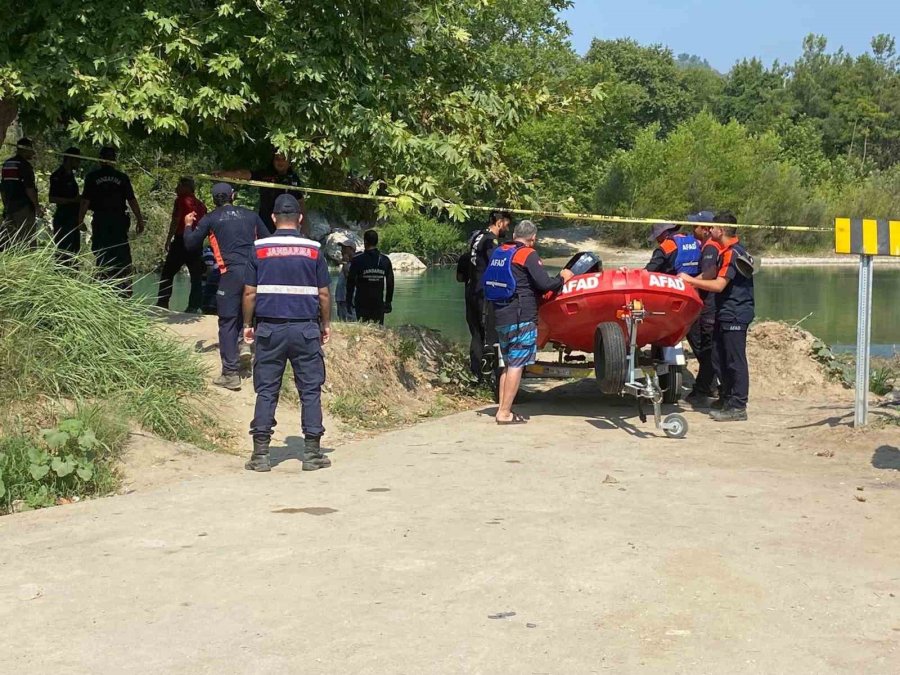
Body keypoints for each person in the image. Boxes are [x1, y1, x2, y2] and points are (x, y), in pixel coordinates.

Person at [242, 194, 332, 473]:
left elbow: (249, 292)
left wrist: (248, 325)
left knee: (267, 390)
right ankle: (312, 453)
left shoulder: (258, 248)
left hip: (269, 329)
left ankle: (260, 455)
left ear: (272, 218)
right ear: (300, 219)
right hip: (305, 328)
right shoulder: (314, 249)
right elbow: (325, 294)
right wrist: (325, 325)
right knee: (310, 390)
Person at [484, 220, 574, 425]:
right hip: (521, 317)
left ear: (515, 234)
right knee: (517, 365)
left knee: (508, 364)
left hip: (500, 315)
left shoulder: (500, 251)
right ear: (532, 239)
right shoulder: (527, 254)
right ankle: (505, 413)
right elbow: (544, 284)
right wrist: (562, 278)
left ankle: (503, 408)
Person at [184, 182, 266, 390]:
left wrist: (187, 224)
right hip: (254, 273)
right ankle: (245, 345)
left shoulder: (210, 218)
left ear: (214, 200)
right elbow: (267, 242)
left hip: (229, 274)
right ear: (234, 196)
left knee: (227, 321)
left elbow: (191, 243)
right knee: (252, 314)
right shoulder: (251, 216)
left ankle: (230, 374)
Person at [680, 211, 754, 422]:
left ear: (720, 230)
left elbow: (719, 285)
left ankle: (738, 406)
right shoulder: (726, 251)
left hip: (736, 312)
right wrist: (687, 283)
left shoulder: (733, 253)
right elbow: (711, 274)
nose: (709, 230)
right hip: (725, 311)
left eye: (712, 227)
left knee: (734, 359)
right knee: (718, 356)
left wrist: (691, 282)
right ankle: (727, 397)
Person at [79, 147, 144, 296]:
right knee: (120, 252)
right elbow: (132, 200)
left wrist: (80, 219)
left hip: (102, 219)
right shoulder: (121, 177)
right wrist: (139, 220)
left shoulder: (92, 177)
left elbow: (85, 201)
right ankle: (122, 289)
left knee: (102, 252)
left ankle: (104, 288)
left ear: (100, 159)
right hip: (117, 220)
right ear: (113, 160)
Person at [463, 210, 511, 379]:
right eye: (506, 224)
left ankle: (476, 375)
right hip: (484, 293)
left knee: (476, 334)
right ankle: (491, 375)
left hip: (471, 290)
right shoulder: (491, 241)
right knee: (491, 336)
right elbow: (496, 265)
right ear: (499, 222)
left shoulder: (476, 236)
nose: (507, 228)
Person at [213, 150, 303, 234]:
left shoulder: (294, 179)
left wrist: (305, 228)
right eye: (277, 159)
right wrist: (223, 174)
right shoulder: (265, 174)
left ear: (289, 162)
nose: (280, 162)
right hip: (266, 223)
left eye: (283, 159)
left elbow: (301, 203)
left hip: (288, 224)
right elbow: (245, 175)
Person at [683, 211, 721, 408]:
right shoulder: (708, 246)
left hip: (710, 306)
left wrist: (688, 283)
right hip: (710, 305)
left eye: (695, 226)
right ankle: (709, 387)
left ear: (705, 229)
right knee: (707, 348)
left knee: (707, 349)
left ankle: (704, 388)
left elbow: (709, 275)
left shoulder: (709, 248)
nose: (692, 229)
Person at [156, 177, 208, 312]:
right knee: (196, 276)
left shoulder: (181, 201)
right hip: (196, 242)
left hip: (181, 240)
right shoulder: (202, 205)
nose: (176, 188)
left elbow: (176, 219)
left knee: (167, 273)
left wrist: (168, 239)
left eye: (179, 185)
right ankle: (193, 306)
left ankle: (162, 303)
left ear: (186, 187)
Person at [346, 229, 394, 324]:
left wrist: (348, 300)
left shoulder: (357, 260)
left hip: (362, 303)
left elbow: (350, 282)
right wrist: (388, 302)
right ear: (377, 242)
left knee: (363, 330)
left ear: (365, 242)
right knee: (378, 331)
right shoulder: (385, 260)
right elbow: (390, 283)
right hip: (378, 303)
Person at [1, 138, 39, 250]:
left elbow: (3, 188)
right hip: (23, 207)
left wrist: (6, 205)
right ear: (25, 150)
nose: (32, 153)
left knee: (10, 241)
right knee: (28, 241)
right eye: (30, 150)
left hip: (10, 207)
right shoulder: (24, 165)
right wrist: (37, 206)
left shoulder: (7, 164)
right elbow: (29, 189)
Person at [49, 147, 83, 266]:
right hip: (63, 219)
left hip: (73, 219)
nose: (79, 163)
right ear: (70, 159)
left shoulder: (71, 176)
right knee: (63, 252)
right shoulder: (58, 175)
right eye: (77, 160)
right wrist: (72, 200)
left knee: (74, 252)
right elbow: (52, 198)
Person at [334, 240, 357, 321]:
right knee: (342, 321)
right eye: (342, 248)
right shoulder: (346, 264)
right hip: (340, 298)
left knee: (351, 321)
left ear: (351, 250)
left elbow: (349, 277)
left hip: (348, 299)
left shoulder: (355, 263)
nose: (342, 250)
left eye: (344, 248)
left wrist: (345, 262)